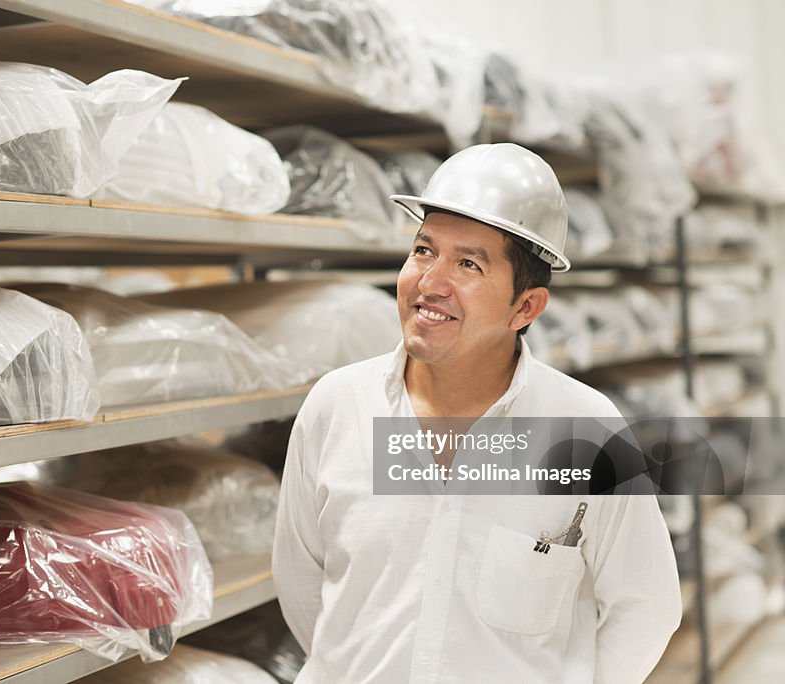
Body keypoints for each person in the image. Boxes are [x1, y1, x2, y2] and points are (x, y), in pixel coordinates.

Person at [272, 144, 681, 683]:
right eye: (423, 250)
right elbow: (303, 581)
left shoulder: (587, 427)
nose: (429, 282)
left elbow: (646, 605)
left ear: (526, 307)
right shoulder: (337, 404)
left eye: (468, 263)